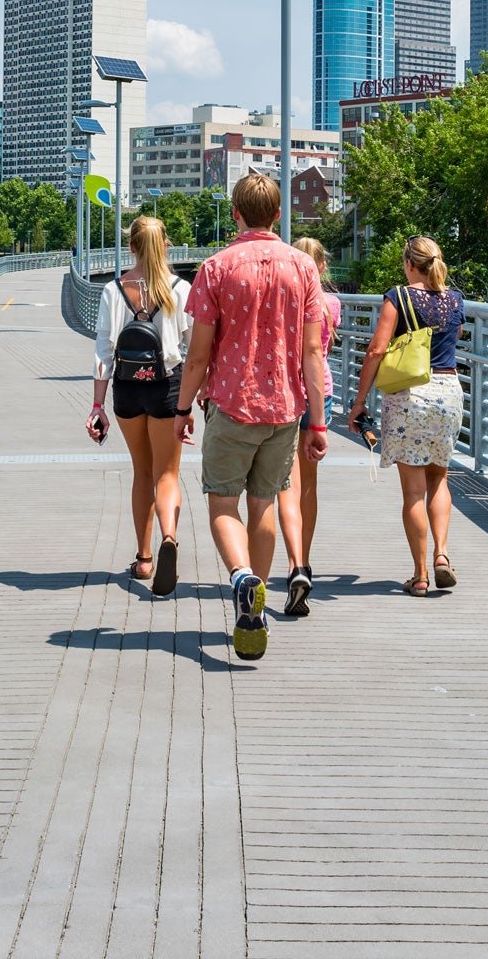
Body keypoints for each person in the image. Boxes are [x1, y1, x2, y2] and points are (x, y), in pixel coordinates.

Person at [173, 174, 326, 661]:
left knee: (222, 505)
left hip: (231, 403)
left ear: (235, 213)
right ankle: (254, 609)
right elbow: (312, 355)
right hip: (284, 409)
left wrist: (181, 410)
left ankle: (241, 581)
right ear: (278, 215)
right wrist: (318, 423)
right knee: (263, 506)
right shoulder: (303, 268)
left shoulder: (216, 267)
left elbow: (197, 355)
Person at [346, 236, 466, 598]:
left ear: (409, 264)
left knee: (413, 492)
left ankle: (420, 575)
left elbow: (377, 349)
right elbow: (454, 334)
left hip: (409, 397)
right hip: (448, 392)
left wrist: (359, 401)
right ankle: (442, 555)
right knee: (439, 479)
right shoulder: (454, 298)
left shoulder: (397, 297)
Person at [88, 215, 193, 596]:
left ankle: (145, 558)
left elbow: (103, 352)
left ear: (131, 246)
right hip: (168, 387)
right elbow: (193, 348)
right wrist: (196, 398)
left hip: (127, 390)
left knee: (141, 473)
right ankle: (169, 537)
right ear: (165, 246)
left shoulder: (114, 290)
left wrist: (97, 406)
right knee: (167, 474)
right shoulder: (180, 288)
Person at [277, 235, 341, 618]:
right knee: (310, 488)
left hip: (286, 392)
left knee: (288, 483)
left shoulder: (285, 299)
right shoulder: (331, 303)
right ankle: (307, 560)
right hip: (322, 394)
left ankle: (293, 563)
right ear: (322, 266)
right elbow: (321, 349)